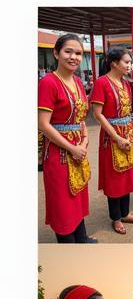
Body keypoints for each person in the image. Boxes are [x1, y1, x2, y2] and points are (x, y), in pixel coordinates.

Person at [38, 34, 93, 242]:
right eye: (68, 51)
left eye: (78, 53)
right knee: (63, 201)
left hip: (78, 148)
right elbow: (43, 124)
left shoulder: (78, 82)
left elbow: (80, 118)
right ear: (56, 53)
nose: (74, 57)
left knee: (78, 195)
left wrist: (85, 140)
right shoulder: (48, 83)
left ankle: (82, 238)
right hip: (59, 153)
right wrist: (72, 148)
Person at [89, 46, 133, 235]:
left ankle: (125, 213)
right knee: (115, 178)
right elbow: (98, 115)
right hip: (112, 138)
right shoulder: (102, 83)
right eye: (127, 62)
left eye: (131, 62)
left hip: (129, 134)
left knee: (127, 175)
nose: (130, 65)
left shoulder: (126, 83)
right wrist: (116, 136)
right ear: (114, 63)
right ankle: (116, 218)